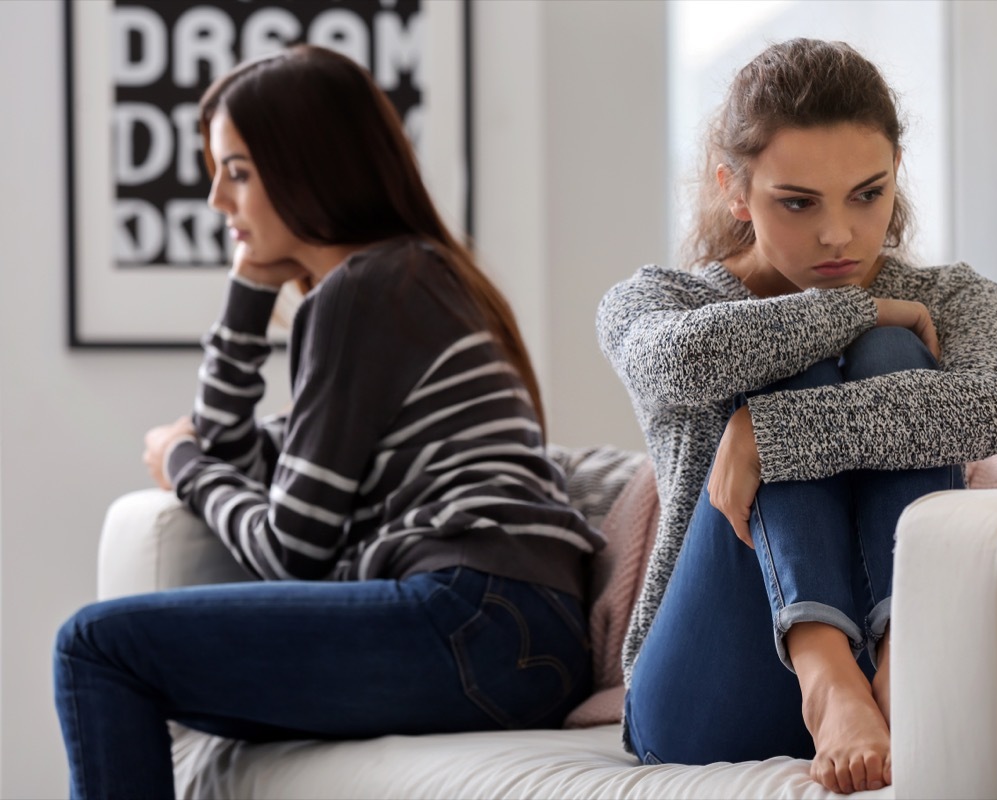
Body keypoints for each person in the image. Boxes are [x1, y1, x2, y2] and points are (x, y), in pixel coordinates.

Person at [54, 44, 604, 799]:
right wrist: (249, 291)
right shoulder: (410, 277)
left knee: (96, 647)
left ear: (309, 167)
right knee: (126, 656)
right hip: (517, 633)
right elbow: (237, 449)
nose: (216, 200)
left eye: (237, 172)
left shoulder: (367, 289)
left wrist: (183, 467)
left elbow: (291, 550)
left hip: (471, 616)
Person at [597, 38, 997, 794]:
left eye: (867, 194)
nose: (839, 234)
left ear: (896, 170)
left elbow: (995, 405)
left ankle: (898, 659)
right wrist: (854, 309)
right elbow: (679, 363)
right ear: (735, 189)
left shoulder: (955, 298)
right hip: (709, 686)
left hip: (898, 673)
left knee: (892, 350)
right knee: (813, 347)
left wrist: (772, 437)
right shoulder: (661, 301)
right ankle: (826, 677)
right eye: (798, 203)